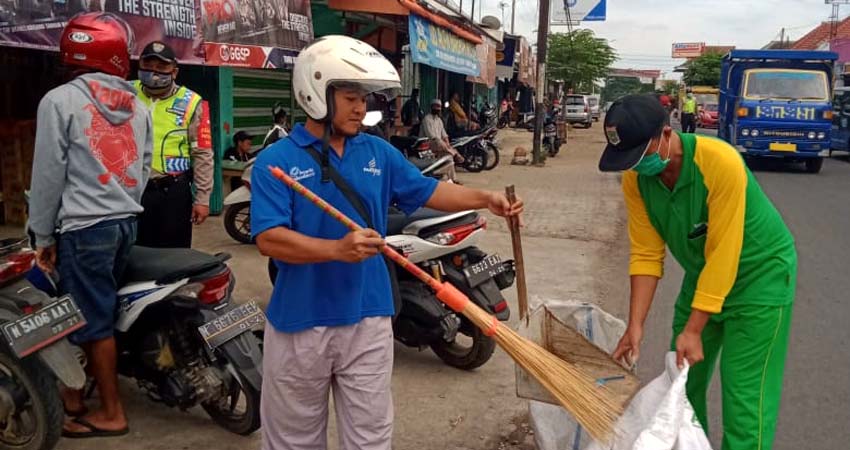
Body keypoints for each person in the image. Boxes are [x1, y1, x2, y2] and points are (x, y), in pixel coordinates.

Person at [252, 35, 523, 450]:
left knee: (371, 437)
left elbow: (428, 190)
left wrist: (485, 198)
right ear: (315, 90)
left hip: (369, 315)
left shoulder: (377, 151)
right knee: (294, 439)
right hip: (301, 322)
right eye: (349, 96)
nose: (361, 107)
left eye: (364, 97)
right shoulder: (277, 162)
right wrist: (336, 250)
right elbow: (271, 239)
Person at [599, 95, 796, 450]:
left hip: (759, 279)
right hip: (703, 276)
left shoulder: (719, 161)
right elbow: (646, 253)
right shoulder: (637, 181)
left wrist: (694, 328)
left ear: (666, 132)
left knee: (745, 402)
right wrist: (636, 325)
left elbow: (724, 252)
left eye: (641, 155)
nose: (636, 166)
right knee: (683, 387)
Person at [28, 12, 152, 438]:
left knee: (89, 318)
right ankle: (76, 396)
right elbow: (143, 167)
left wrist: (42, 235)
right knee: (97, 307)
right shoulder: (138, 104)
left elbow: (47, 175)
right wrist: (123, 205)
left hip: (85, 227)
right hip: (123, 224)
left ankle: (110, 412)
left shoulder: (59, 101)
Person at [134, 40, 213, 248]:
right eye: (148, 66)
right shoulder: (126, 93)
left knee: (174, 256)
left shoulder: (193, 102)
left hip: (172, 192)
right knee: (132, 252)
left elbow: (203, 153)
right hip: (130, 190)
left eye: (161, 68)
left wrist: (203, 198)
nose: (153, 72)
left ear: (174, 72)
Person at [420, 98, 463, 183]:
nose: (437, 109)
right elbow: (431, 136)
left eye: (439, 107)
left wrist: (447, 144)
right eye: (436, 107)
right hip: (427, 144)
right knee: (438, 141)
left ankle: (453, 179)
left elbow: (444, 135)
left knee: (449, 157)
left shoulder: (439, 120)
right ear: (432, 107)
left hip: (439, 146)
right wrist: (446, 145)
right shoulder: (426, 119)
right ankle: (455, 153)